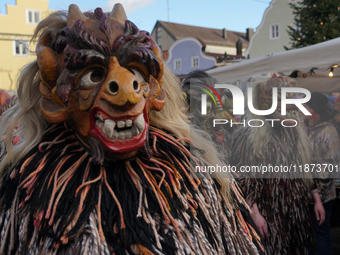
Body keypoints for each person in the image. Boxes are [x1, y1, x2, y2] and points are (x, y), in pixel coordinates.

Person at [0, 4, 265, 254]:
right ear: (55, 95)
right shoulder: (30, 189)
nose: (127, 89)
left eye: (135, 72)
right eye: (92, 75)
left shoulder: (192, 176)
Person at [231, 75, 324, 255]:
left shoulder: (293, 132)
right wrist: (255, 213)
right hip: (269, 214)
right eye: (280, 99)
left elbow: (306, 167)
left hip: (296, 212)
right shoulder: (248, 135)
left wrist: (317, 200)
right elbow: (246, 178)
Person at [302, 92, 340, 255]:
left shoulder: (328, 132)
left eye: (305, 107)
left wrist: (316, 191)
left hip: (322, 196)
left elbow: (329, 168)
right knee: (309, 236)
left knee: (322, 235)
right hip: (307, 194)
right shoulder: (306, 127)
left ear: (313, 110)